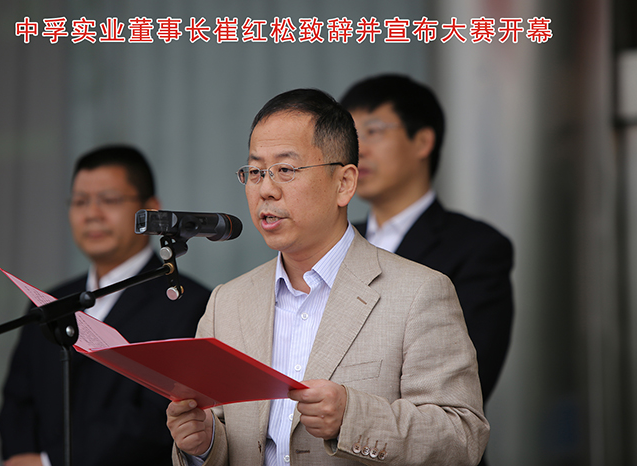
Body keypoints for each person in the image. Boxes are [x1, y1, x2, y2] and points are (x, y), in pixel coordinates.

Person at [166, 89, 489, 466]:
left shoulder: (418, 293)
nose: (266, 189)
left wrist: (352, 417)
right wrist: (204, 444)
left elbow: (462, 438)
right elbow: (221, 432)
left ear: (344, 183)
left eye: (286, 170)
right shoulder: (227, 303)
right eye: (255, 172)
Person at [0, 145, 211, 466]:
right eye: (80, 201)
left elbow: (158, 420)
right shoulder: (48, 303)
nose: (92, 214)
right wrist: (22, 457)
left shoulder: (189, 303)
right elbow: (17, 403)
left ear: (151, 210)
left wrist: (48, 462)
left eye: (109, 200)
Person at [340, 74, 514, 403]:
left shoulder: (477, 248)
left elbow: (468, 381)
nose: (357, 150)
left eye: (374, 131)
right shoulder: (337, 241)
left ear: (422, 141)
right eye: (351, 135)